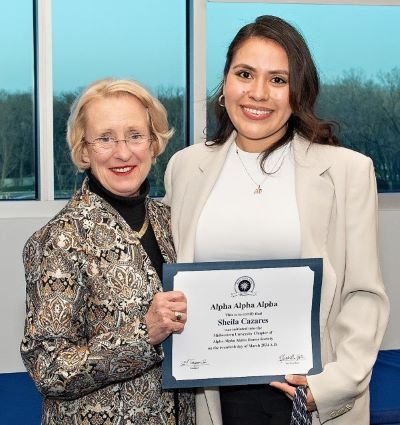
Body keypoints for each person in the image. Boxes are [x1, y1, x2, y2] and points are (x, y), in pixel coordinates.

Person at [163, 15, 389, 425]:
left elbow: (364, 296)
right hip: (213, 399)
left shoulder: (346, 171)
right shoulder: (185, 167)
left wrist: (329, 386)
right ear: (225, 82)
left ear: (297, 91)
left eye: (279, 79)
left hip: (308, 395)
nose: (258, 93)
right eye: (245, 74)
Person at [20, 78, 194, 424]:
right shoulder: (60, 239)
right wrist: (143, 335)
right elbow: (48, 367)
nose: (123, 152)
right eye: (105, 138)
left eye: (135, 135)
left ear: (154, 143)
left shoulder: (174, 223)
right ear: (84, 150)